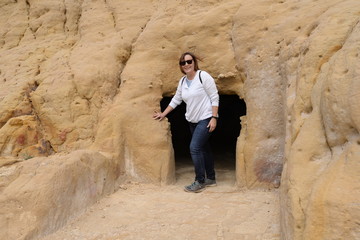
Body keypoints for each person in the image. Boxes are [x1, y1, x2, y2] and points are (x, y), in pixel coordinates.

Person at [153, 52, 219, 193]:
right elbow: (176, 100)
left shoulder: (203, 76)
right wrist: (163, 114)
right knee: (204, 148)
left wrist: (214, 117)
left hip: (206, 118)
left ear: (194, 62)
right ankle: (211, 178)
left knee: (194, 148)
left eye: (189, 61)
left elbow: (214, 96)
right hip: (192, 120)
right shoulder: (183, 81)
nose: (187, 65)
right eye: (183, 63)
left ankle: (200, 181)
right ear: (181, 66)